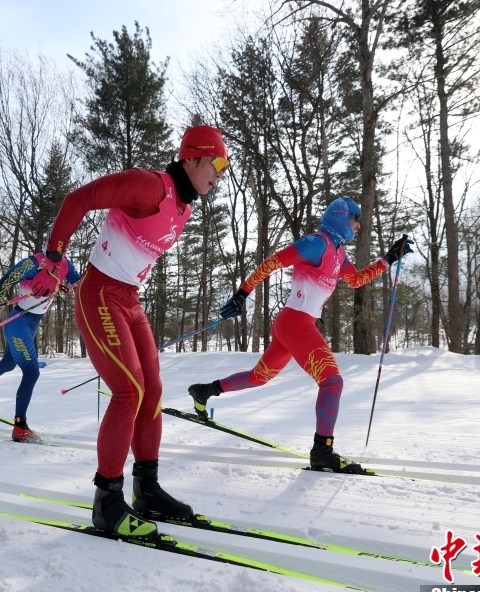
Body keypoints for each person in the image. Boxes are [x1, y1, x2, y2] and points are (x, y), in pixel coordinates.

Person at [28, 125, 228, 539]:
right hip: (100, 293)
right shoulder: (147, 185)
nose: (220, 173)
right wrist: (53, 260)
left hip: (129, 300)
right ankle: (108, 500)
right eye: (218, 162)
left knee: (151, 390)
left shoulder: (182, 206)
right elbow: (78, 199)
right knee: (128, 390)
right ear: (192, 157)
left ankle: (147, 489)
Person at [187, 197, 413, 474]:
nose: (359, 225)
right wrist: (242, 293)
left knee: (260, 376)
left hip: (293, 324)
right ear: (343, 217)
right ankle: (323, 451)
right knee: (332, 382)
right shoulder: (316, 243)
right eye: (356, 219)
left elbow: (356, 280)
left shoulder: (339, 253)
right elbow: (273, 262)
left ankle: (205, 390)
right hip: (296, 324)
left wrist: (389, 258)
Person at [0, 255, 80, 443]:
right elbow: (4, 282)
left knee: (9, 362)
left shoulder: (67, 264)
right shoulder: (33, 263)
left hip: (34, 321)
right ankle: (20, 426)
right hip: (18, 320)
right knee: (31, 372)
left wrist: (82, 283)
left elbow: (80, 282)